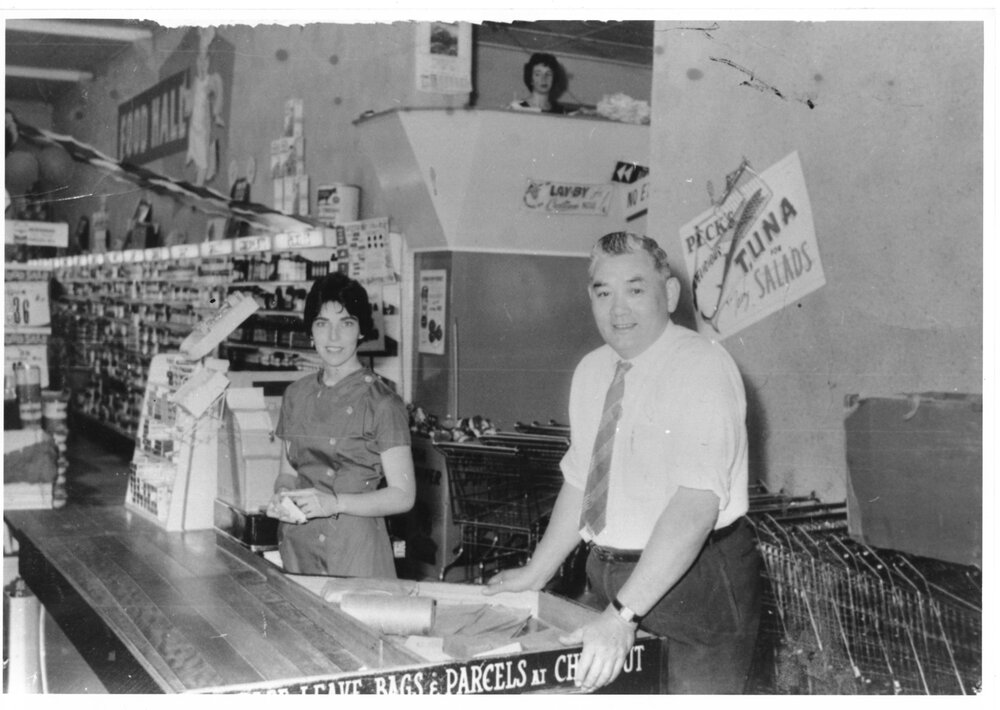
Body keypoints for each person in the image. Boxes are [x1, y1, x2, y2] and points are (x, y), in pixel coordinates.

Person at [484, 232, 762, 694]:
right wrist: (538, 571)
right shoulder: (592, 370)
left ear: (669, 294)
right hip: (609, 576)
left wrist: (622, 617)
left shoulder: (702, 367)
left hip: (696, 581)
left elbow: (695, 506)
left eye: (635, 290)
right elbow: (582, 482)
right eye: (603, 292)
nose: (618, 310)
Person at [266, 273, 415, 577]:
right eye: (322, 323)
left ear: (361, 331)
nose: (333, 337)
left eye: (346, 323)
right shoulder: (296, 394)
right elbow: (287, 473)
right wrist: (281, 496)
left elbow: (403, 495)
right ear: (310, 330)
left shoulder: (383, 403)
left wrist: (334, 503)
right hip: (298, 546)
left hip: (354, 550)